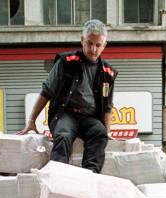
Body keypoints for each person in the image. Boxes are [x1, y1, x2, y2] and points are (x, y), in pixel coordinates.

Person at [18, 19, 117, 173]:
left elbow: (107, 105)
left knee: (99, 133)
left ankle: (90, 176)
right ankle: (58, 177)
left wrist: (107, 131)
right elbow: (46, 92)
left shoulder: (107, 72)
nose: (93, 49)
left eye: (98, 45)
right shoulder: (66, 62)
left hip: (89, 118)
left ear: (104, 46)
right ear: (82, 40)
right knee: (63, 135)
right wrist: (31, 121)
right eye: (89, 43)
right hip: (65, 114)